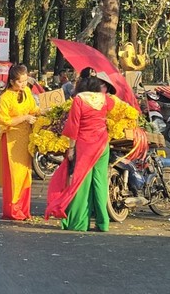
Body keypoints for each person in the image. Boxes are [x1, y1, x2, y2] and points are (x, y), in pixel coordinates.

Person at [45, 68, 117, 232]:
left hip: (85, 146)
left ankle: (79, 223)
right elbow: (113, 104)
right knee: (100, 182)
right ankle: (103, 222)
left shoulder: (78, 100)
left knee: (81, 183)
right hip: (102, 145)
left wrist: (71, 149)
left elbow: (73, 126)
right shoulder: (105, 99)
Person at [0, 64, 38, 220]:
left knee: (25, 174)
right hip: (10, 140)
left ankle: (24, 209)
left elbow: (33, 110)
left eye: (25, 81)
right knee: (14, 175)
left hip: (25, 139)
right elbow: (4, 122)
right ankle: (13, 210)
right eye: (20, 82)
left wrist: (45, 111)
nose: (23, 84)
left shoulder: (27, 92)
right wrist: (24, 118)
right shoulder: (5, 98)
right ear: (11, 81)